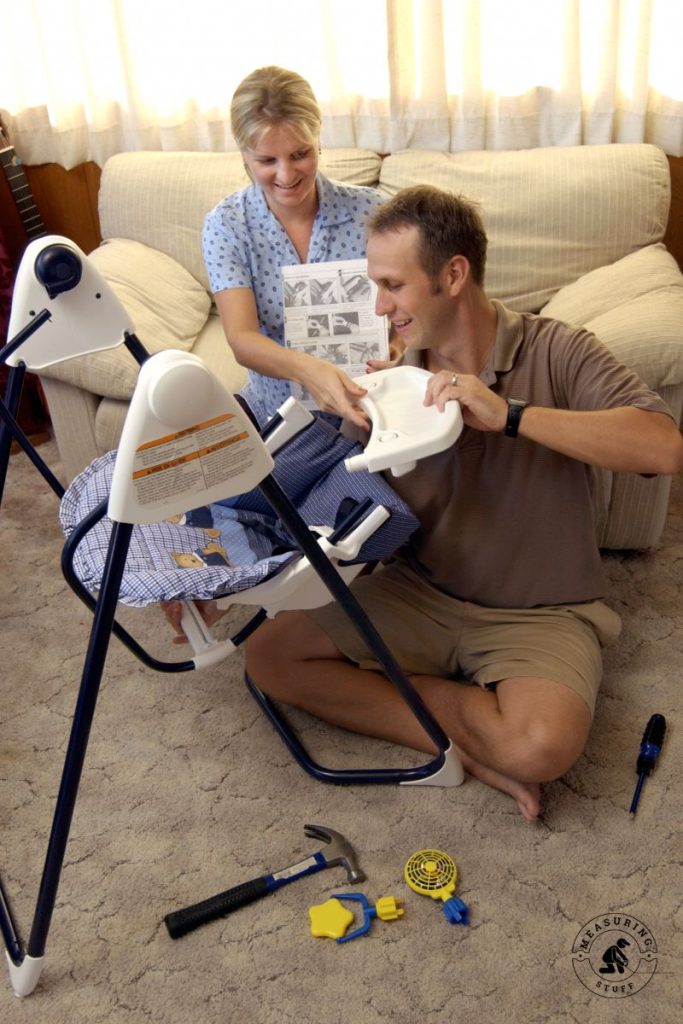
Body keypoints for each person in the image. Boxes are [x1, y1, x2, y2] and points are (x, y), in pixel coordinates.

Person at [244, 185, 683, 822]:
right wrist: (216, 560)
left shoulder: (556, 349)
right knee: (268, 657)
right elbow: (318, 502)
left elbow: (663, 445)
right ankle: (460, 740)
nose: (380, 305)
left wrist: (508, 416)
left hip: (541, 610)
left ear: (453, 275)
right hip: (419, 592)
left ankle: (427, 710)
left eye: (393, 285)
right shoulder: (388, 380)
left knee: (540, 747)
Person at [202, 65, 385, 429]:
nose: (286, 176)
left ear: (318, 140)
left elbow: (410, 308)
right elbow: (242, 339)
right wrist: (310, 370)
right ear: (244, 154)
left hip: (371, 405)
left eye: (300, 154)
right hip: (279, 413)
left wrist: (397, 351)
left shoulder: (374, 212)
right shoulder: (226, 225)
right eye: (267, 161)